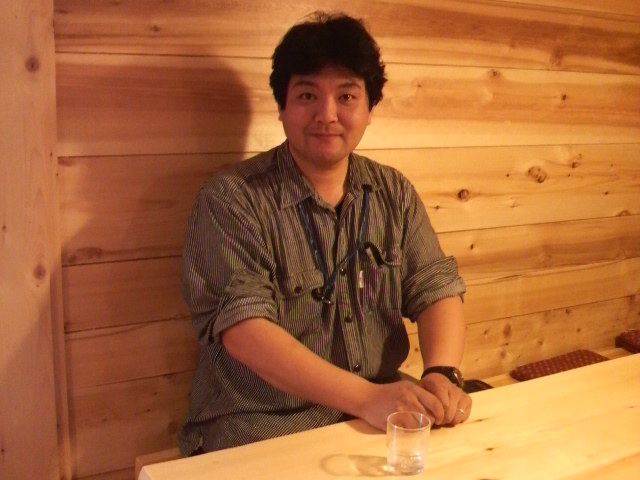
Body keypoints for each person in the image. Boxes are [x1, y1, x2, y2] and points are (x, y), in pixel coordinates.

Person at [178, 11, 470, 456]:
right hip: (259, 425)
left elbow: (436, 288)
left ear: (370, 109)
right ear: (282, 107)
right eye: (307, 95)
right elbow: (243, 329)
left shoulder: (393, 192)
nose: (327, 115)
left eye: (347, 96)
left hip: (376, 411)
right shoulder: (231, 199)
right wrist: (366, 398)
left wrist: (442, 373)